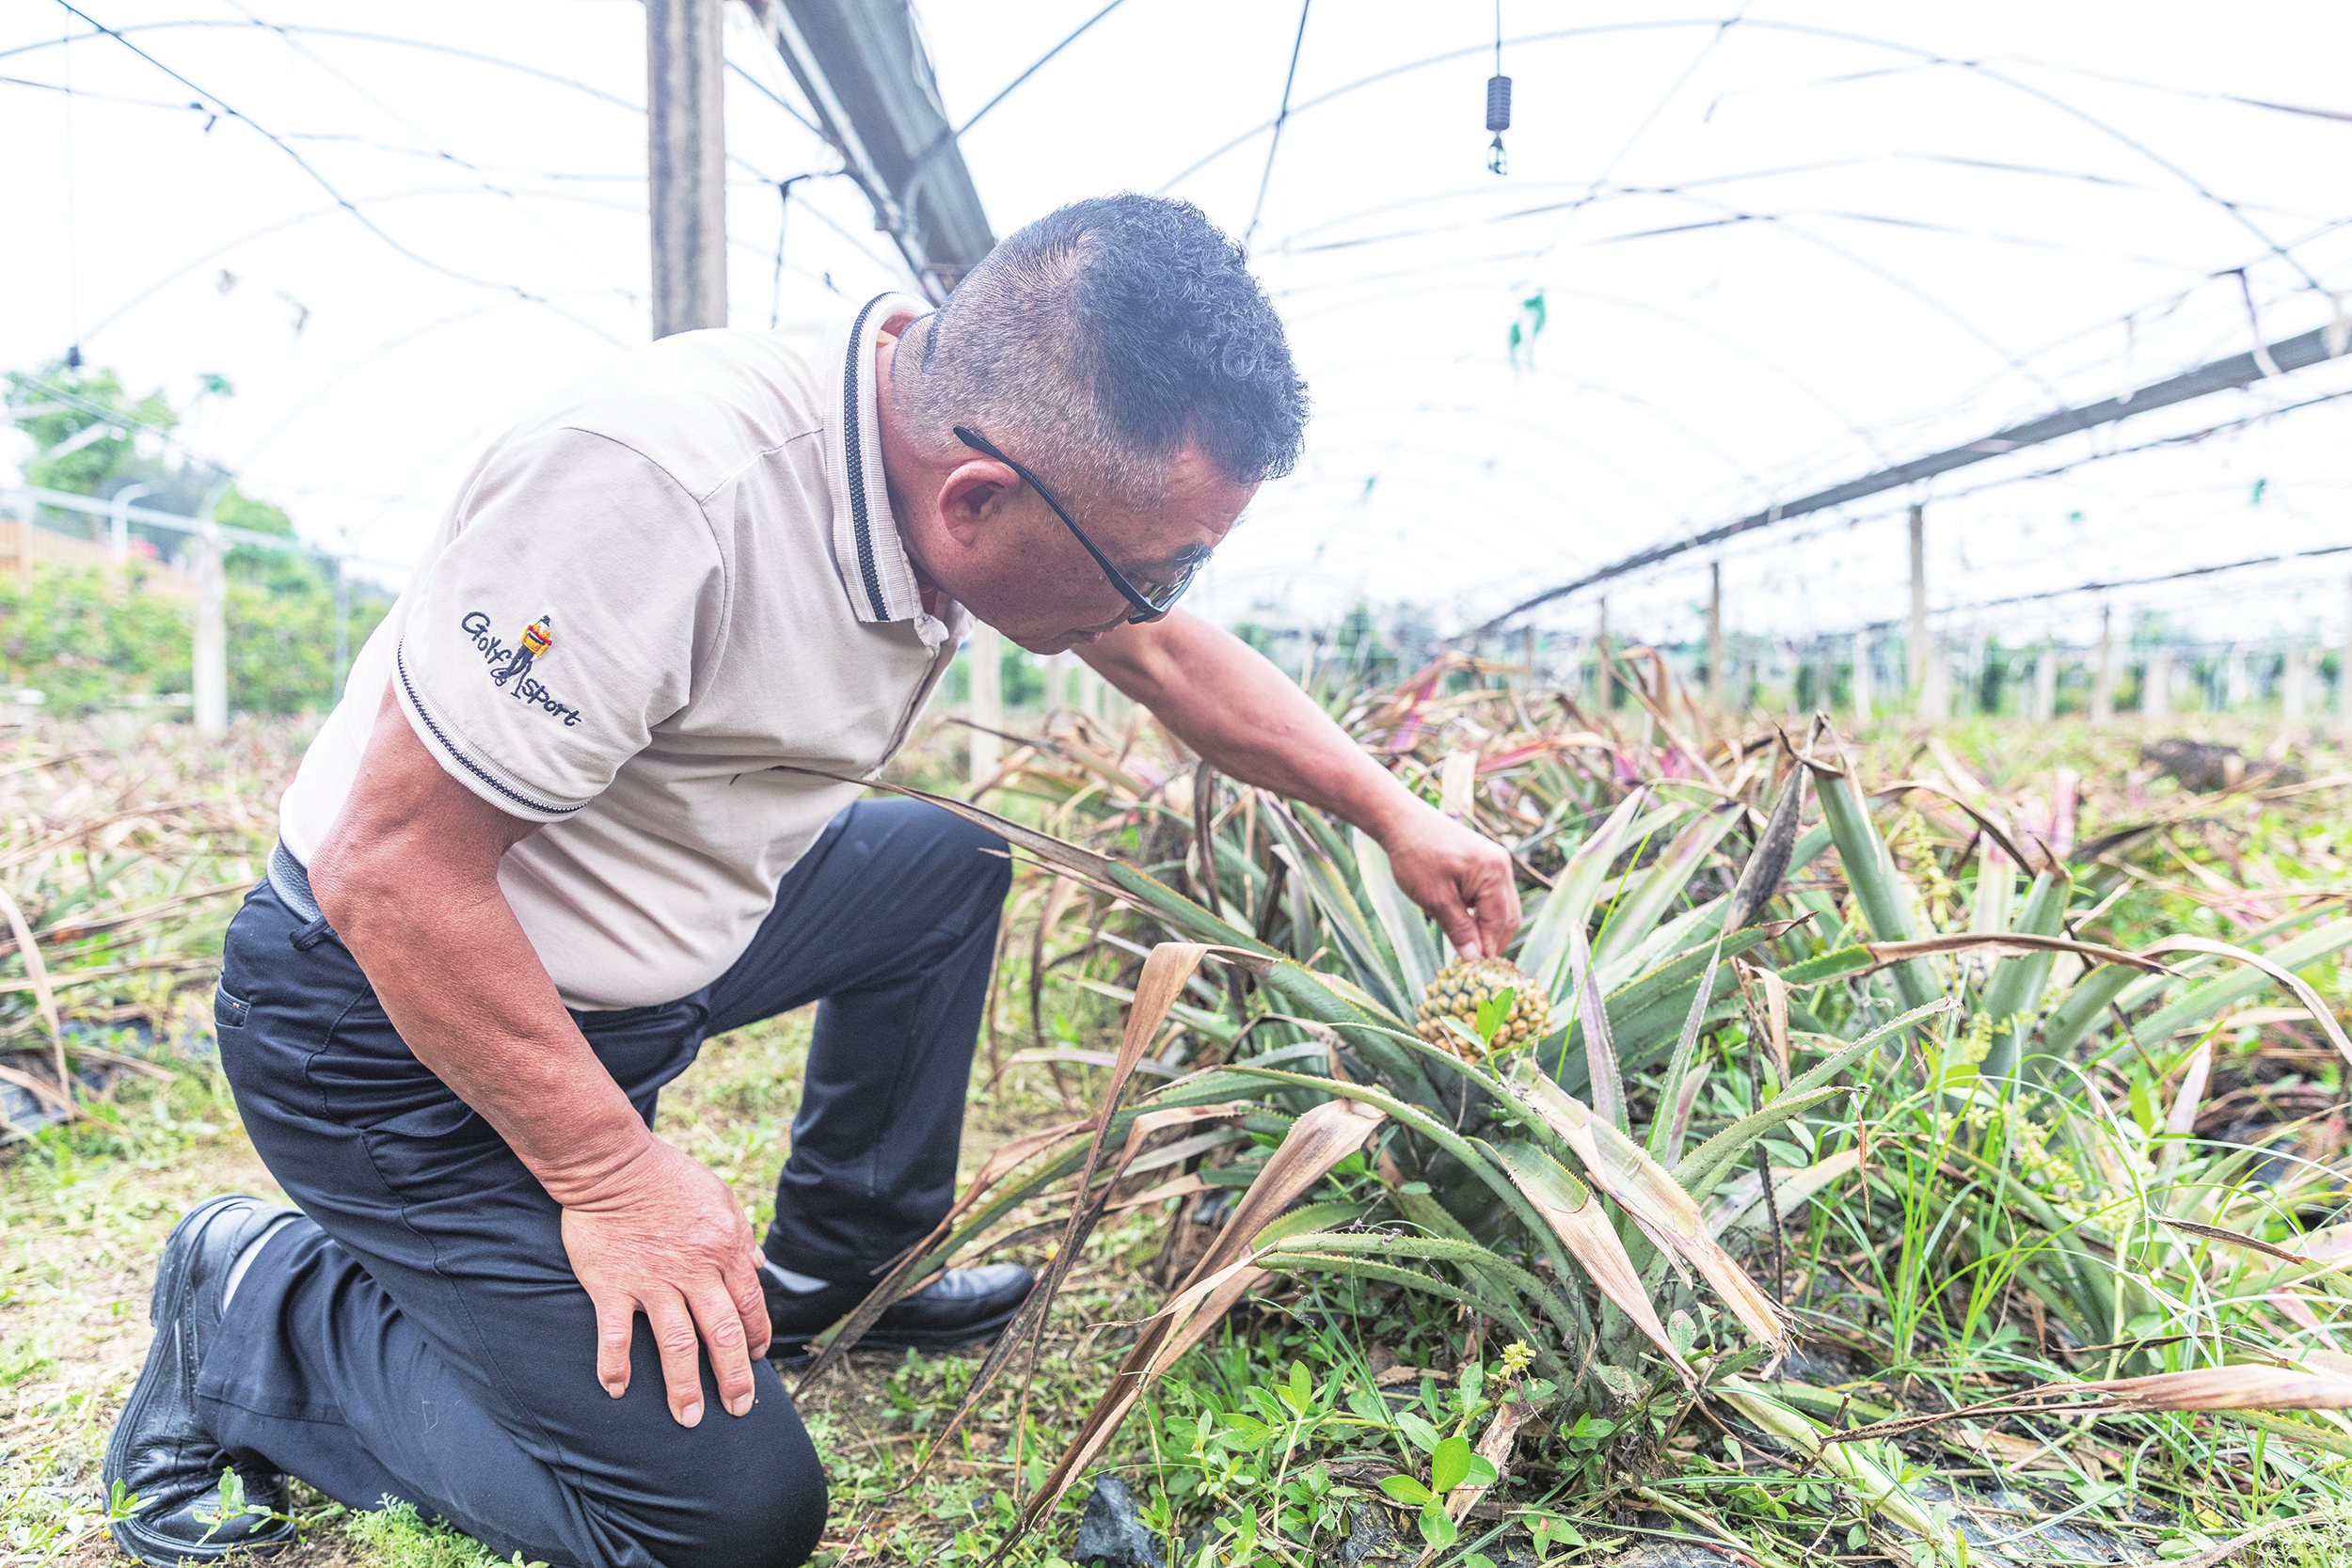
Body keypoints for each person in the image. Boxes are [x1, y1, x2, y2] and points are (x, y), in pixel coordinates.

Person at [103, 194, 1521, 1568]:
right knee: (727, 1521)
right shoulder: (654, 489)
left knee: (942, 859)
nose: (1154, 610)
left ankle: (849, 1267)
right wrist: (615, 1172)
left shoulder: (962, 455)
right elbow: (389, 870)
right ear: (978, 500)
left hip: (644, 949)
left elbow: (1166, 660)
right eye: (1150, 573)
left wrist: (1395, 811)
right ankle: (251, 1304)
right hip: (391, 1021)